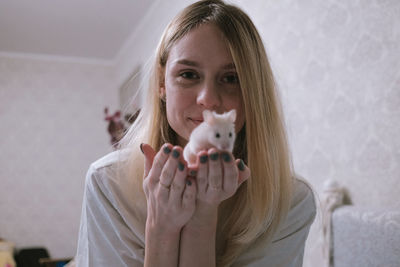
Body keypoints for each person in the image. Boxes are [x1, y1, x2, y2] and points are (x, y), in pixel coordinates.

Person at [75, 0, 316, 266]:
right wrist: (160, 229)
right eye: (188, 74)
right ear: (161, 83)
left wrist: (201, 218)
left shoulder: (290, 201)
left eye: (231, 78)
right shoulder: (109, 185)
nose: (209, 99)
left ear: (254, 92)